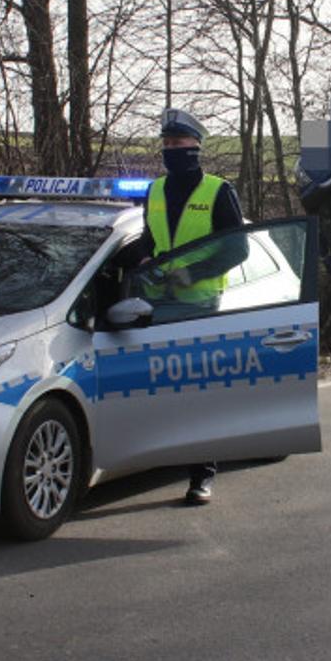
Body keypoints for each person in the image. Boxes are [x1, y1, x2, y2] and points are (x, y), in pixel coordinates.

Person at [141, 108, 246, 505]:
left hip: (201, 302)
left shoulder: (218, 191)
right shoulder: (153, 190)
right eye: (166, 144)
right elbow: (150, 241)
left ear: (195, 146)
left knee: (196, 388)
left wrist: (194, 273)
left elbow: (238, 248)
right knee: (163, 387)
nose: (171, 149)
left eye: (178, 143)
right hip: (158, 301)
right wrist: (141, 261)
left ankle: (202, 474)